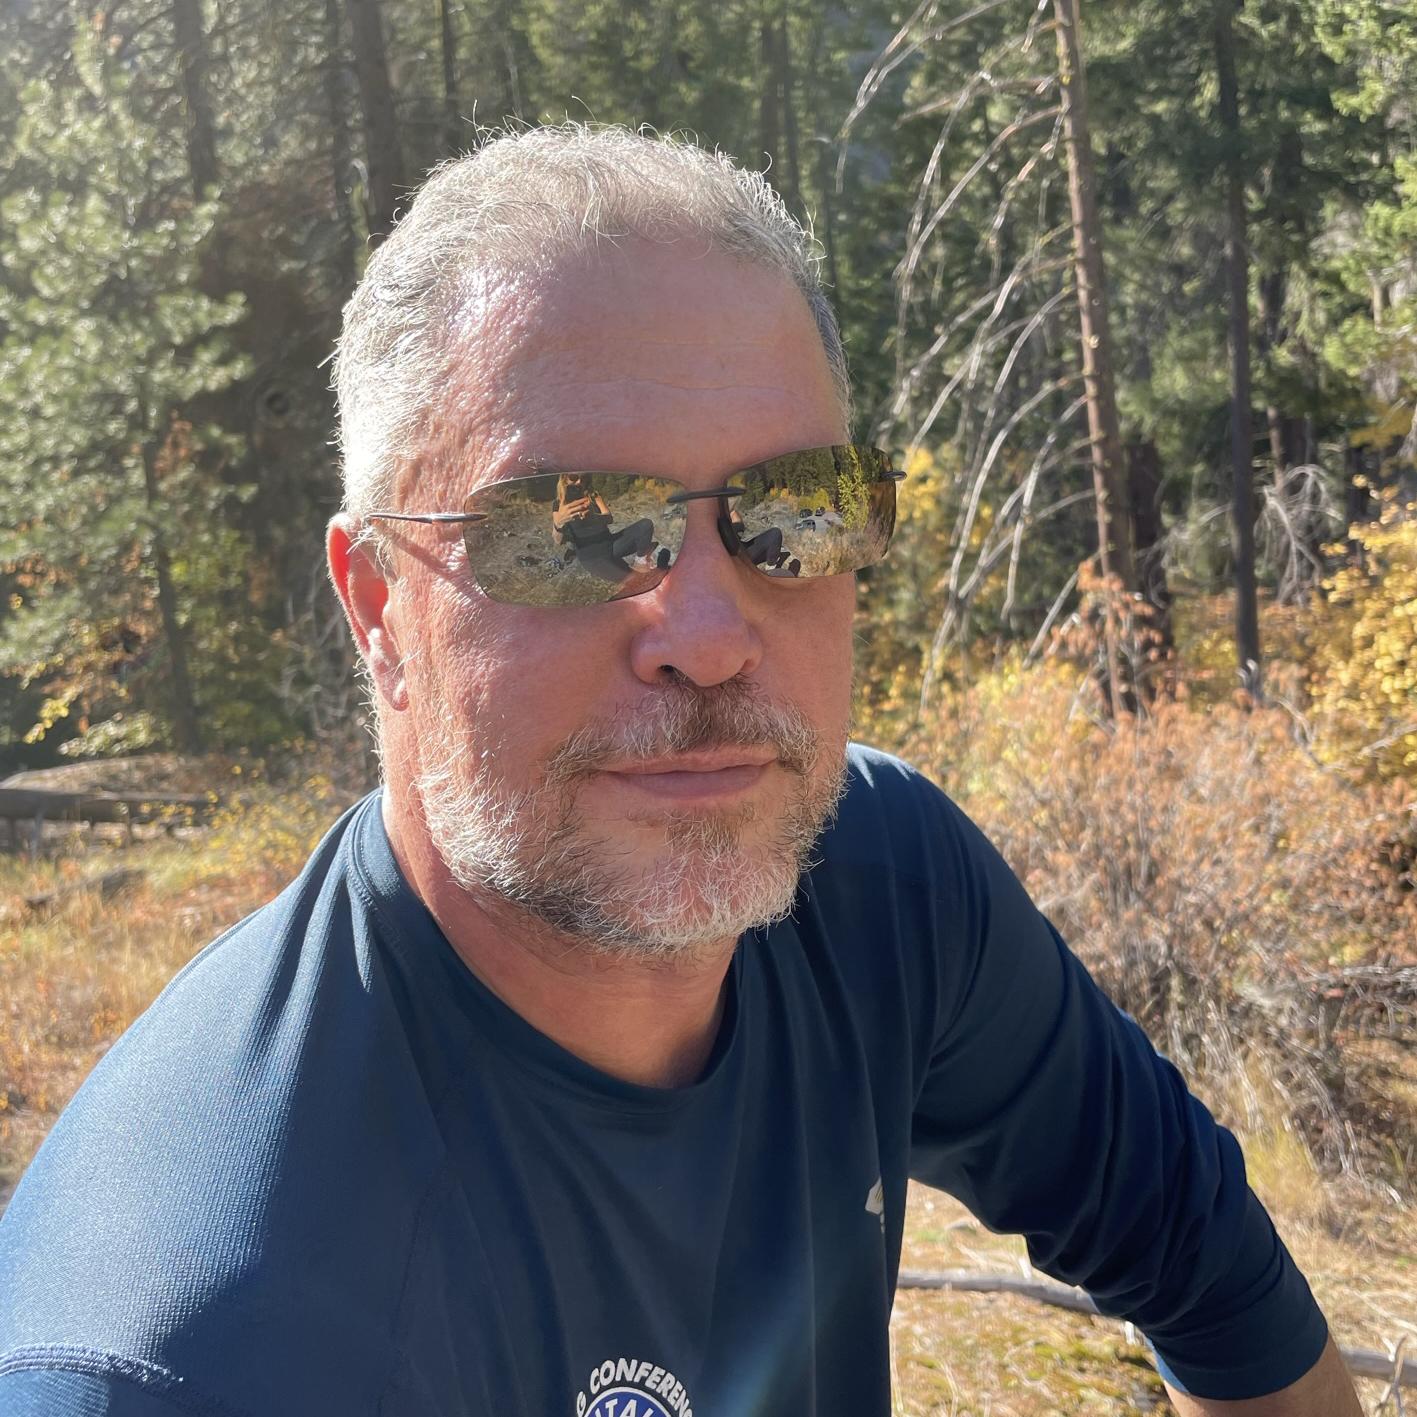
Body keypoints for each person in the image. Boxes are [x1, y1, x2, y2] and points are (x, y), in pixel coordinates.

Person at [0, 125, 1362, 1417]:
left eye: (798, 511)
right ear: (377, 607)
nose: (709, 637)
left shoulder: (877, 885)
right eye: (574, 530)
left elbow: (1210, 1272)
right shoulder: (190, 1352)